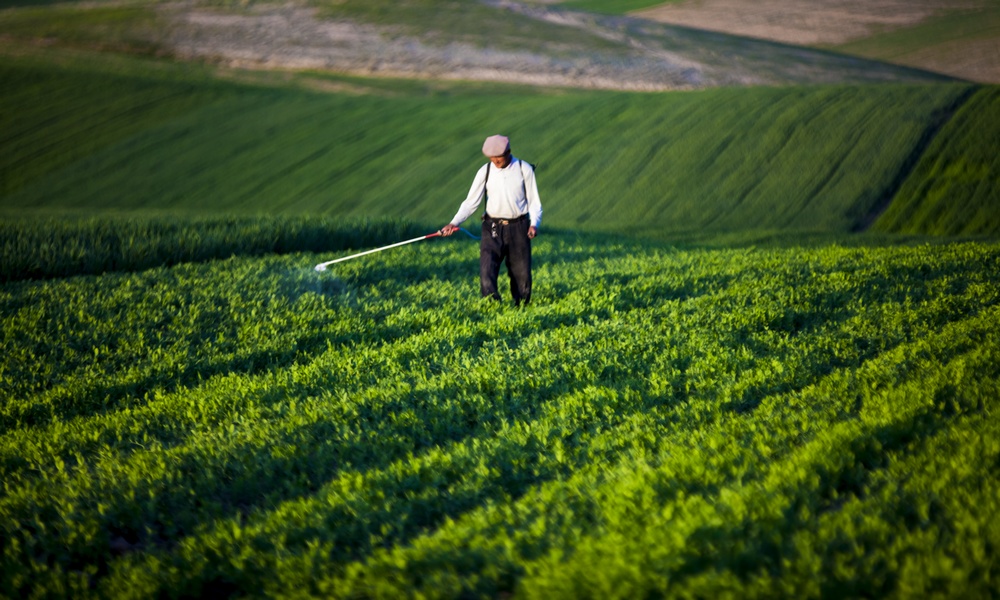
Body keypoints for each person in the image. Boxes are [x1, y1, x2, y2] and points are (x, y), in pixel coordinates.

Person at [440, 135, 542, 306]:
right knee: (487, 272)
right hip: (492, 227)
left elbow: (534, 202)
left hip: (519, 227)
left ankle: (521, 308)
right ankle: (492, 306)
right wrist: (454, 223)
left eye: (499, 157)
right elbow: (471, 202)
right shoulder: (485, 171)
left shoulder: (524, 169)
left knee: (521, 275)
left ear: (508, 152)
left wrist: (534, 224)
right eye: (492, 158)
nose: (495, 161)